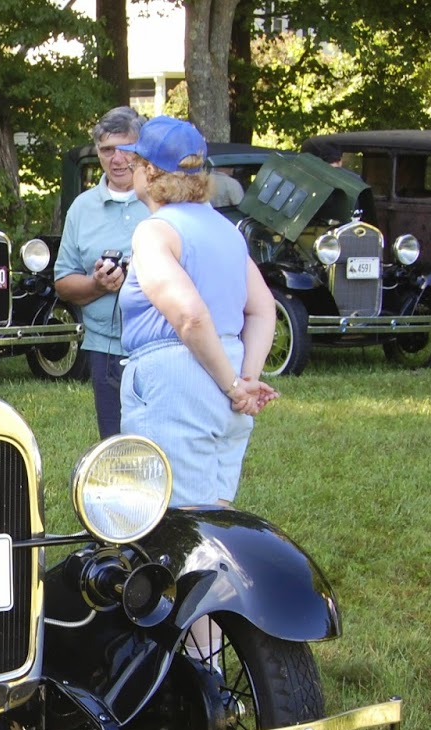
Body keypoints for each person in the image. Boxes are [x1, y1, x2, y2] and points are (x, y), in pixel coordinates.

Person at [115, 116, 279, 508]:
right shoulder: (227, 230)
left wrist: (233, 386)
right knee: (218, 517)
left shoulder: (155, 231)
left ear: (150, 170)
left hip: (180, 378)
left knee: (169, 516)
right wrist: (246, 379)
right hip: (230, 368)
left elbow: (190, 317)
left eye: (136, 163)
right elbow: (263, 309)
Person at [55, 106, 149, 438]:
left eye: (127, 148)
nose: (118, 158)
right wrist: (98, 285)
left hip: (160, 345)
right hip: (105, 348)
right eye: (108, 149)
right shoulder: (81, 208)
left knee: (161, 446)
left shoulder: (160, 200)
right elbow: (63, 282)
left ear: (142, 150)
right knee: (115, 445)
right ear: (98, 152)